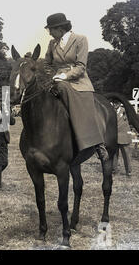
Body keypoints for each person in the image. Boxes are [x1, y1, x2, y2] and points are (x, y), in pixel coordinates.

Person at [43, 13, 109, 161]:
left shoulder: (80, 39)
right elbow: (47, 64)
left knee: (62, 88)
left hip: (78, 82)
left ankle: (97, 143)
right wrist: (53, 75)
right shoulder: (52, 44)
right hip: (57, 80)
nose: (50, 33)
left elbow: (81, 67)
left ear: (59, 28)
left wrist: (65, 76)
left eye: (51, 30)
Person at [112, 102, 132, 176]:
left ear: (120, 104)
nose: (115, 105)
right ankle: (114, 170)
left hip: (124, 136)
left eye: (116, 103)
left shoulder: (125, 111)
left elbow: (133, 118)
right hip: (114, 136)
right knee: (114, 154)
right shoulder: (111, 110)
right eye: (114, 103)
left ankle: (128, 171)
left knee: (126, 155)